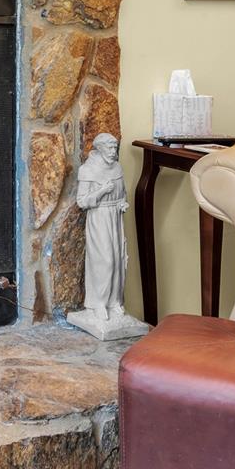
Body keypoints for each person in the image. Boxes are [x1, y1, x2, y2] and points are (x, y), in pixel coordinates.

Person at [67, 133, 146, 341]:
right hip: (99, 217)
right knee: (105, 260)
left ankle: (114, 302)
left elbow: (122, 193)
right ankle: (98, 303)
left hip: (115, 217)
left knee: (119, 260)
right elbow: (82, 202)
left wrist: (122, 203)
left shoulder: (117, 168)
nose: (113, 153)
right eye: (110, 149)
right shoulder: (88, 170)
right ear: (100, 149)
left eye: (115, 149)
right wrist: (102, 192)